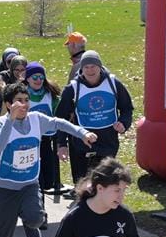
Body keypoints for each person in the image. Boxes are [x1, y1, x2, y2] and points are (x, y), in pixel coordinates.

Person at [0, 82, 98, 237]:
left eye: (26, 100)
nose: (23, 105)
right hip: (4, 188)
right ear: (8, 104)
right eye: (18, 101)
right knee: (4, 236)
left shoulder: (37, 120)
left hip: (29, 183)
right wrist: (10, 121)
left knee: (36, 218)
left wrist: (82, 132)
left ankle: (30, 224)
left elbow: (58, 123)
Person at [56, 51, 134, 185]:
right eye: (86, 67)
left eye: (93, 66)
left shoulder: (113, 83)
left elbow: (127, 108)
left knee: (104, 183)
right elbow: (61, 118)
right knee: (83, 186)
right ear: (81, 69)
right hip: (82, 143)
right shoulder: (73, 88)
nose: (90, 70)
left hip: (108, 141)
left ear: (100, 67)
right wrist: (62, 145)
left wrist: (123, 123)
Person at [23, 62, 64, 195]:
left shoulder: (50, 95)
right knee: (36, 180)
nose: (38, 80)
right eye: (35, 77)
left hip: (46, 140)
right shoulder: (22, 95)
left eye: (41, 77)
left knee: (48, 179)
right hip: (29, 141)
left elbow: (59, 114)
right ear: (27, 78)